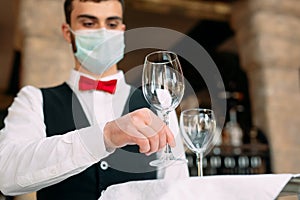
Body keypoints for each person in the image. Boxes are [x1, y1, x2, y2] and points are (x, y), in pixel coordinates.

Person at [0, 0, 189, 199]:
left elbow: (177, 188)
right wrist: (106, 136)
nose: (102, 32)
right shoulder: (34, 99)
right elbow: (5, 176)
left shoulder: (159, 101)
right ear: (67, 32)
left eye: (112, 24)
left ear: (122, 32)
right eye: (89, 24)